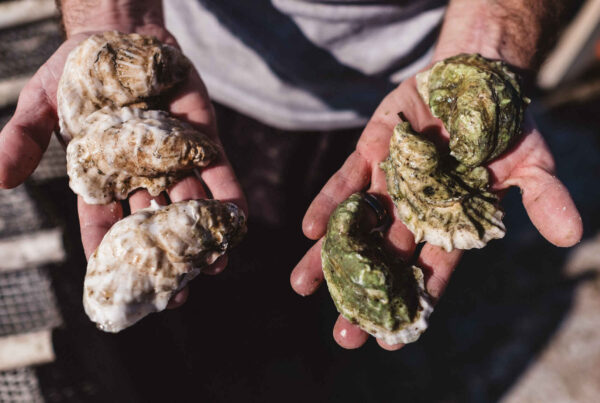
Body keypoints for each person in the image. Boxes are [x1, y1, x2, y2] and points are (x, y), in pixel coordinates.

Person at [0, 0, 582, 354]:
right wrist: (112, 16)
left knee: (301, 286)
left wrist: (489, 40)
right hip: (201, 78)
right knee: (236, 281)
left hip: (401, 88)